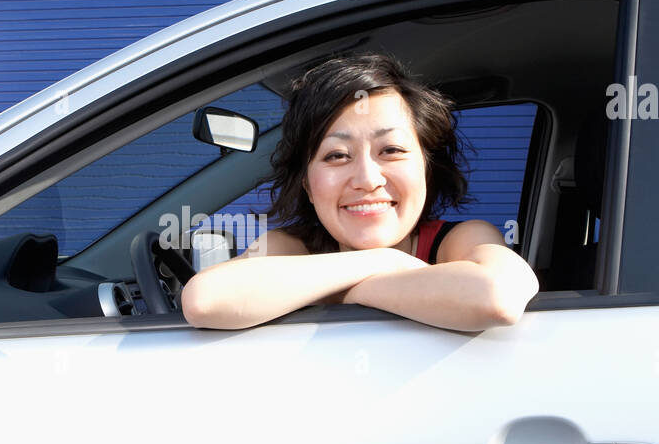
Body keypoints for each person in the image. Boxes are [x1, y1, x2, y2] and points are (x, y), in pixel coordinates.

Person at [180, 52, 539, 331]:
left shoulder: (459, 240)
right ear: (306, 182)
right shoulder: (293, 247)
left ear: (427, 166)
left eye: (391, 150)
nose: (367, 179)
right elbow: (204, 300)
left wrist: (349, 288)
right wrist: (384, 261)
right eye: (337, 156)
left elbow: (497, 296)